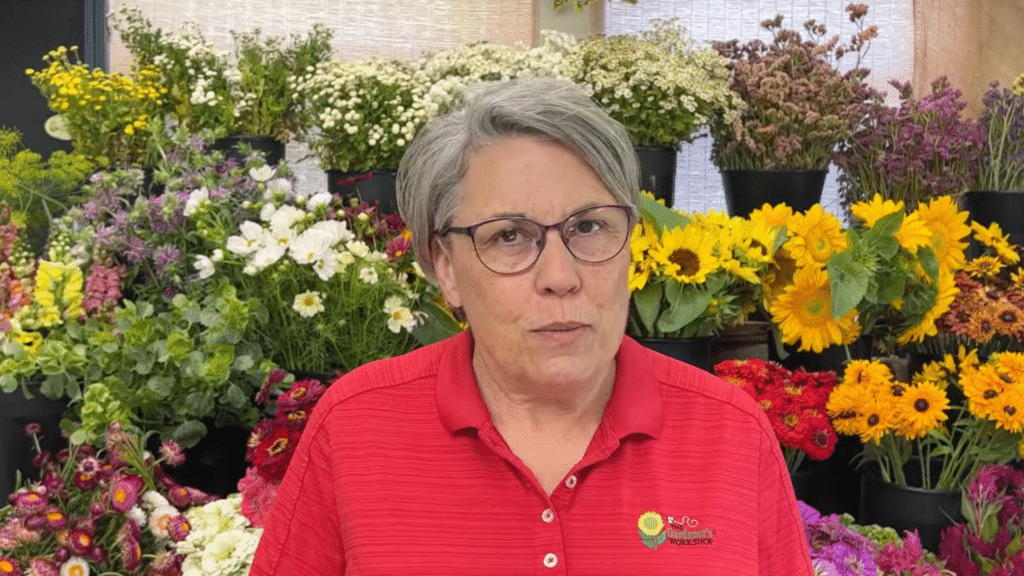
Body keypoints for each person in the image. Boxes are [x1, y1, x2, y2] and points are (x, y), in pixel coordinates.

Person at [249, 77, 814, 575]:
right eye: (510, 236)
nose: (560, 276)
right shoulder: (355, 428)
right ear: (445, 267)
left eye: (589, 226)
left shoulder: (730, 434)